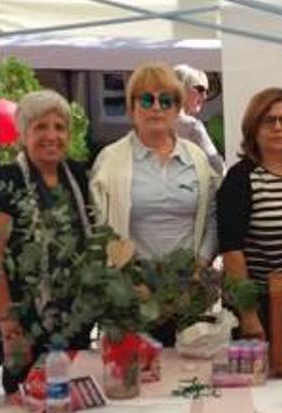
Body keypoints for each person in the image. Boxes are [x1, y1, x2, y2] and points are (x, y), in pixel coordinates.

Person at [91, 62, 218, 345]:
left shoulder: (197, 158)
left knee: (188, 374)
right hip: (133, 295)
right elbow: (99, 227)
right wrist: (132, 281)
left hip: (189, 294)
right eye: (146, 99)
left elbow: (211, 218)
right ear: (131, 108)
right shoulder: (109, 161)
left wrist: (199, 268)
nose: (156, 107)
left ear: (177, 108)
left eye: (166, 100)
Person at [0, 89, 93, 396]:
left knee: (70, 404)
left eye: (59, 127)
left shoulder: (79, 177)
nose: (51, 135)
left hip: (74, 318)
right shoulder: (5, 181)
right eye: (41, 127)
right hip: (23, 322)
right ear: (23, 134)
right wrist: (8, 327)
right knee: (26, 407)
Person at [217, 88, 282, 338]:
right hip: (257, 304)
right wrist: (249, 313)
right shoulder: (240, 178)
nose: (277, 127)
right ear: (254, 127)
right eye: (268, 120)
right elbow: (232, 252)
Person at [173, 64, 224, 175]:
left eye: (206, 90)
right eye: (200, 89)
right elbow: (218, 168)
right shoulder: (191, 126)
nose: (205, 96)